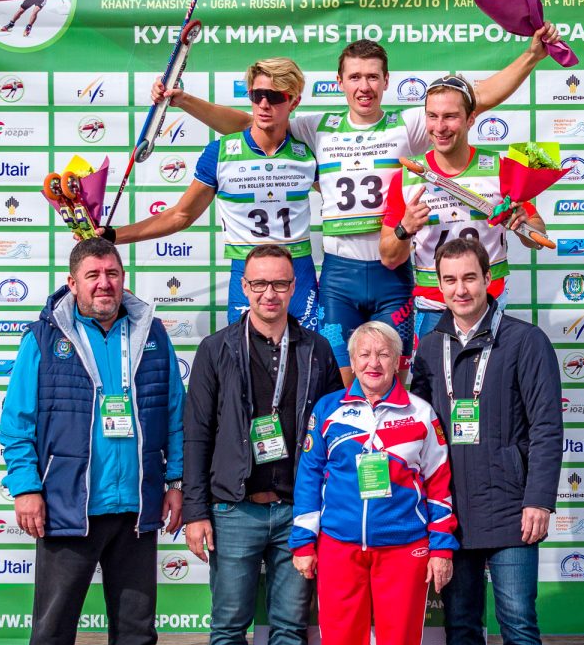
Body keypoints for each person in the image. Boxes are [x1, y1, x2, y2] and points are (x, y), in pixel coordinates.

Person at [151, 29, 562, 381]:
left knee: (397, 380)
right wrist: (183, 101)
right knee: (339, 379)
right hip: (339, 275)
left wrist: (530, 55)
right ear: (340, 82)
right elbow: (247, 123)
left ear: (386, 81)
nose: (364, 86)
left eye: (372, 77)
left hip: (392, 273)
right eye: (354, 77)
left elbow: (478, 98)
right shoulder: (317, 127)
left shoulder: (408, 124)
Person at [0, 237, 185, 645]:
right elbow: (17, 421)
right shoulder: (44, 336)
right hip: (67, 504)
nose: (105, 284)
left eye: (113, 274)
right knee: (54, 622)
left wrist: (175, 481)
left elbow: (174, 413)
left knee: (136, 625)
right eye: (94, 275)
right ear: (73, 282)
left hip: (136, 506)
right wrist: (26, 487)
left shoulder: (150, 333)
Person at [183, 243, 343, 645]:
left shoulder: (317, 349)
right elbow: (196, 433)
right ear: (244, 287)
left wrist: (323, 511)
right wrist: (196, 511)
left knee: (290, 625)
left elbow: (330, 433)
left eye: (279, 284)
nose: (269, 293)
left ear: (294, 288)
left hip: (296, 510)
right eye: (258, 284)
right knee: (229, 625)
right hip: (234, 509)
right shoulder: (216, 349)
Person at [410, 238, 563, 645]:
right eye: (449, 280)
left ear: (488, 278)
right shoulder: (428, 347)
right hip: (451, 512)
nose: (460, 290)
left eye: (469, 278)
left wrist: (539, 498)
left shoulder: (526, 341)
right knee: (460, 624)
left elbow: (547, 428)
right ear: (438, 285)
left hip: (511, 509)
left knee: (518, 623)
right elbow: (418, 433)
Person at [290, 320, 456, 645]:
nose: (373, 363)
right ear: (352, 361)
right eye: (364, 354)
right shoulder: (328, 409)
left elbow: (440, 485)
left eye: (383, 354)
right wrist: (303, 541)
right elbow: (309, 477)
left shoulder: (421, 413)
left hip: (405, 548)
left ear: (399, 361)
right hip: (339, 546)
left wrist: (441, 549)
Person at [109, 58, 320, 329]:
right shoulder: (220, 153)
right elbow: (181, 215)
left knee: (309, 354)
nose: (264, 104)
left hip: (298, 273)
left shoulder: (308, 150)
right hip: (248, 271)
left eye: (275, 97)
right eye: (257, 95)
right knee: (247, 354)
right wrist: (113, 236)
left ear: (294, 102)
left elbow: (343, 201)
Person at [379, 74, 544, 340]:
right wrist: (404, 229)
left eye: (450, 116)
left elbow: (538, 238)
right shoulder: (407, 177)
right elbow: (389, 257)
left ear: (470, 119)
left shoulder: (499, 168)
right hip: (434, 308)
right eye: (432, 116)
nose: (440, 127)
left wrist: (524, 223)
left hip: (488, 303)